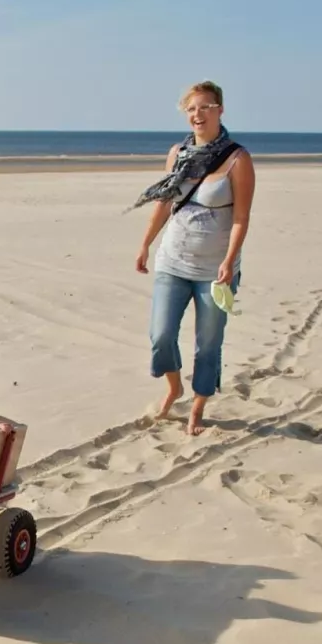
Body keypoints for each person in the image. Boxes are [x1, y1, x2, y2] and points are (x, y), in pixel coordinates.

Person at [132, 81, 257, 435]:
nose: (197, 114)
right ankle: (174, 387)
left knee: (208, 343)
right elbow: (165, 203)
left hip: (216, 269)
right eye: (191, 109)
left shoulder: (238, 159)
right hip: (173, 259)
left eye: (205, 107)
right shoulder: (177, 153)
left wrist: (229, 260)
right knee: (161, 335)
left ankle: (198, 406)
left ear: (220, 110)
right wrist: (145, 244)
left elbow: (241, 217)